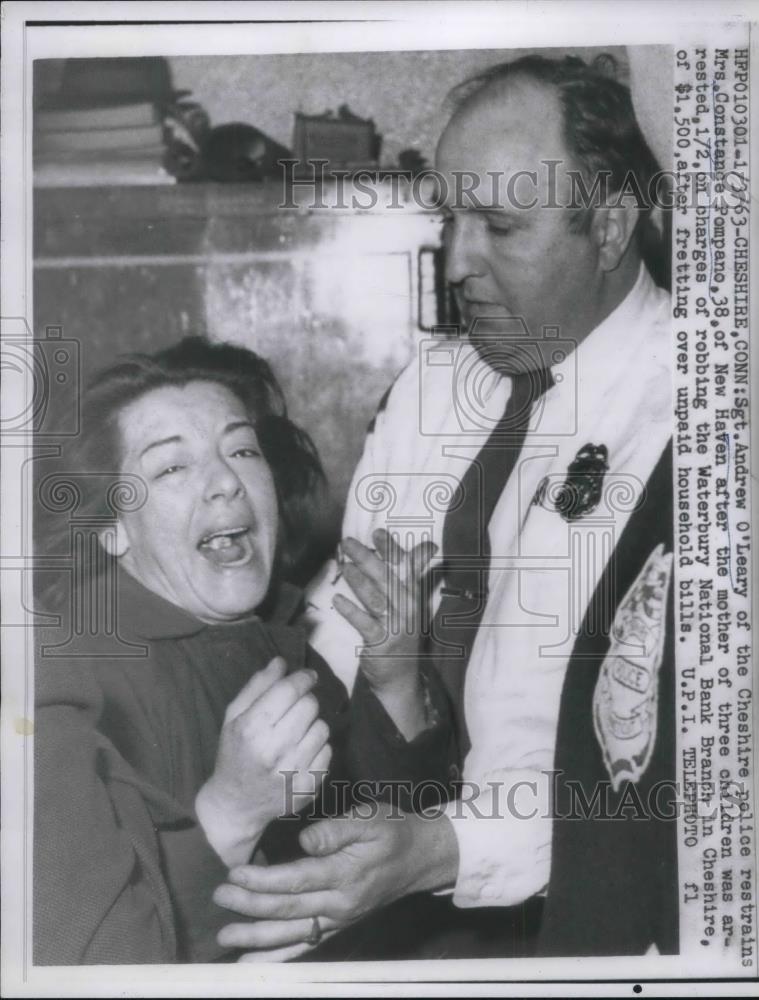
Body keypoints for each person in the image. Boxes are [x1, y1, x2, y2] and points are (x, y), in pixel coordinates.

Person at [213, 54, 677, 958]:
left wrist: (439, 849)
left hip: (588, 918)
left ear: (611, 226)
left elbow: (642, 781)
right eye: (450, 218)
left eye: (500, 226)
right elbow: (342, 648)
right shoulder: (431, 388)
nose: (457, 262)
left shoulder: (698, 419)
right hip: (400, 872)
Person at [33, 336, 453, 965]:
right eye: (172, 467)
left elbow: (386, 847)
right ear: (112, 529)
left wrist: (394, 676)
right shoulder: (68, 682)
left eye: (242, 449)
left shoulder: (276, 642)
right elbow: (80, 961)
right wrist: (229, 814)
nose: (227, 481)